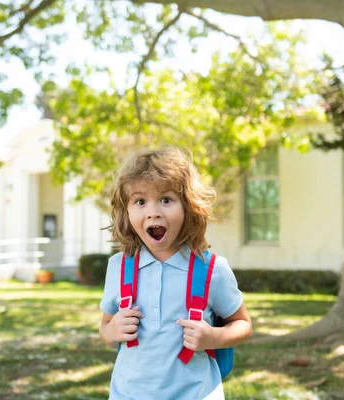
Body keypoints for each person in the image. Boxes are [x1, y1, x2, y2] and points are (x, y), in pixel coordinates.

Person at [99, 147, 252, 399]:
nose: (153, 211)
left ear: (188, 207)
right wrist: (111, 330)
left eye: (166, 199)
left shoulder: (213, 270)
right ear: (126, 212)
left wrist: (213, 336)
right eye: (140, 201)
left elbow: (243, 325)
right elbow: (106, 327)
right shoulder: (118, 267)